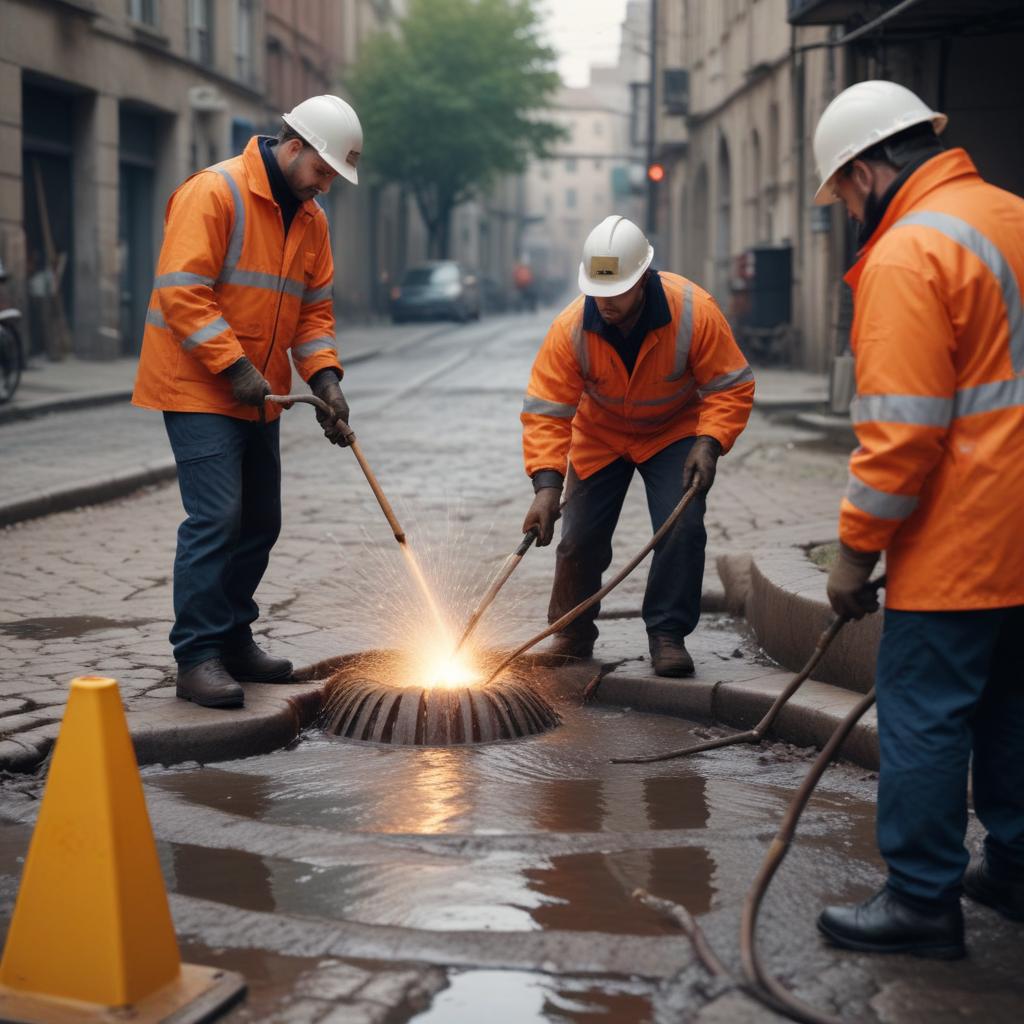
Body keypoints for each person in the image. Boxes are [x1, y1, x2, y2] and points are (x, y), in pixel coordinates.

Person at [811, 80, 1024, 958]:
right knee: (1013, 706)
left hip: (962, 543)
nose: (851, 210)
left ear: (865, 169)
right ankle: (1014, 870)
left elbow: (901, 435)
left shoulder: (909, 253)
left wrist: (855, 554)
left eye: (846, 192)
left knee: (926, 715)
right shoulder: (1011, 213)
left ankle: (922, 903)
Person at [133, 95, 362, 709]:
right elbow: (182, 292)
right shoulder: (215, 192)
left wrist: (326, 381)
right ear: (294, 147)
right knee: (217, 519)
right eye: (322, 172)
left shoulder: (311, 221)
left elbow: (313, 314)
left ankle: (234, 639)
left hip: (259, 391)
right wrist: (233, 366)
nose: (325, 187)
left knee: (262, 520)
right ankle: (198, 656)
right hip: (198, 384)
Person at [520, 215, 754, 676]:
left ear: (644, 280)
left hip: (673, 433)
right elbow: (548, 410)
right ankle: (571, 630)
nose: (605, 302)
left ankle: (667, 633)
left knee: (682, 527)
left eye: (616, 292)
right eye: (597, 292)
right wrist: (546, 485)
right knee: (580, 539)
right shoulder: (570, 329)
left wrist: (709, 442)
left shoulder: (693, 311)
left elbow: (730, 386)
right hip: (601, 436)